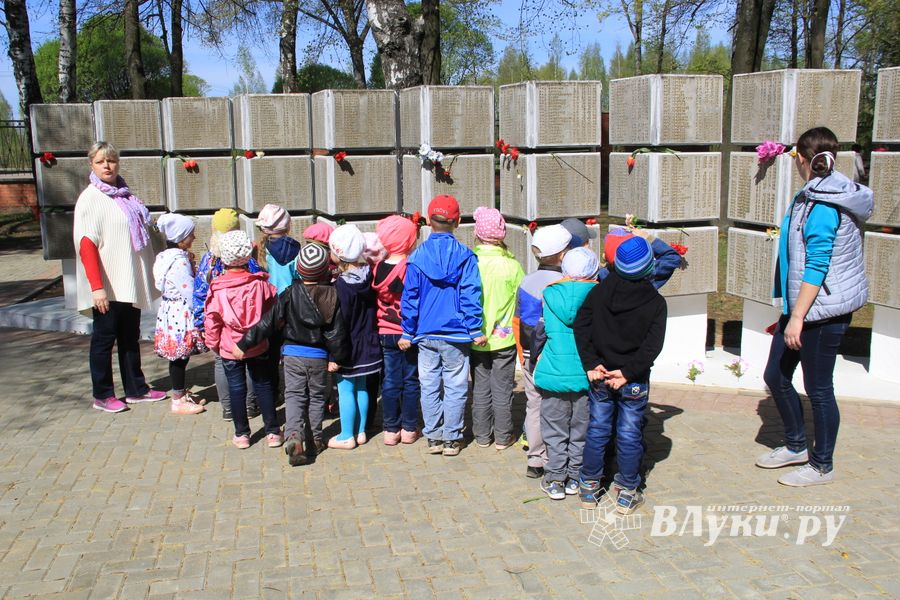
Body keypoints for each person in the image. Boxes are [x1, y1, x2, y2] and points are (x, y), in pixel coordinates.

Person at [757, 126, 874, 487]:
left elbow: (817, 264)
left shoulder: (825, 204)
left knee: (819, 389)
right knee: (775, 376)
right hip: (802, 308)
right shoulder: (812, 193)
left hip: (822, 313)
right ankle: (796, 446)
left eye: (796, 159)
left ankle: (822, 464)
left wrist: (797, 318)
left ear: (806, 161)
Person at [574, 237, 667, 514]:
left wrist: (591, 363)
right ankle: (627, 490)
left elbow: (582, 325)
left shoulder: (598, 292)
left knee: (598, 429)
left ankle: (589, 486)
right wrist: (628, 372)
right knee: (629, 433)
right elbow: (653, 345)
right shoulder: (656, 302)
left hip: (601, 375)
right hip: (633, 380)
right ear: (649, 266)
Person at [236, 242, 350, 465]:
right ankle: (315, 439)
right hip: (318, 357)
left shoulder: (289, 293)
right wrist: (338, 358)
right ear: (325, 269)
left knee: (294, 395)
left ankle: (294, 435)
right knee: (317, 397)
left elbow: (267, 322)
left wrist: (244, 343)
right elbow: (337, 333)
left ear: (299, 268)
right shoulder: (333, 295)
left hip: (292, 355)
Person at [73, 142, 165, 413]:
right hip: (108, 285)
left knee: (129, 336)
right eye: (101, 161)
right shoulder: (91, 198)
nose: (107, 166)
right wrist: (97, 287)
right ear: (92, 164)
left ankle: (136, 388)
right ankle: (102, 394)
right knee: (103, 340)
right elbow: (86, 244)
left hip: (128, 281)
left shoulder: (125, 196)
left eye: (111, 160)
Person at [400, 195, 485, 457]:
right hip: (457, 334)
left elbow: (410, 297)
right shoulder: (466, 257)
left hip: (425, 333)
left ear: (428, 221)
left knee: (429, 386)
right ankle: (452, 438)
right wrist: (475, 329)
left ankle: (434, 437)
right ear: (457, 222)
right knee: (456, 386)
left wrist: (407, 330)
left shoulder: (416, 257)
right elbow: (471, 294)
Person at [204, 230, 281, 449]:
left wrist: (213, 343)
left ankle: (242, 433)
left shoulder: (218, 288)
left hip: (229, 346)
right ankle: (273, 431)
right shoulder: (260, 284)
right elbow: (271, 312)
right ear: (248, 254)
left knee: (236, 389)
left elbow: (212, 319)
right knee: (264, 386)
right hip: (258, 344)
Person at [532, 247, 598, 499]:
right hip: (585, 373)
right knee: (581, 430)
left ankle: (555, 478)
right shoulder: (597, 294)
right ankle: (575, 476)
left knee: (554, 429)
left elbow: (540, 331)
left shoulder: (550, 293)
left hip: (554, 372)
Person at [514, 224, 572, 478]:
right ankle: (559, 456)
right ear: (562, 254)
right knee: (562, 407)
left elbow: (519, 323)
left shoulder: (527, 282)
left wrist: (523, 355)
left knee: (534, 405)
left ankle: (535, 459)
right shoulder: (566, 283)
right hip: (557, 357)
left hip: (530, 357)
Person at [192, 208, 261, 420]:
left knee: (222, 362)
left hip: (218, 322)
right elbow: (257, 280)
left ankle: (229, 408)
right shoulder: (244, 257)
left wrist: (200, 322)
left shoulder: (209, 260)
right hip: (246, 321)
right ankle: (250, 405)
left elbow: (199, 292)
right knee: (249, 362)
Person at [471, 207, 524, 450]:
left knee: (480, 386)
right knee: (502, 389)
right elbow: (522, 299)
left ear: (477, 234)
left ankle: (481, 436)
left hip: (476, 337)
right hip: (505, 339)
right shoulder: (512, 266)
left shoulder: (471, 262)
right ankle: (503, 437)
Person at [328, 224, 383, 449]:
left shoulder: (341, 285)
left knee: (345, 390)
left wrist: (334, 354)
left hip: (349, 346)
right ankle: (361, 431)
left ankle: (346, 434)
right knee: (362, 387)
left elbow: (341, 321)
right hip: (369, 342)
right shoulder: (370, 275)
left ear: (338, 253)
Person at [372, 215, 422, 446]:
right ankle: (409, 428)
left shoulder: (377, 268)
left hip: (385, 331)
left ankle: (390, 430)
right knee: (411, 380)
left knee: (391, 381)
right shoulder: (411, 267)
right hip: (407, 332)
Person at [153, 213, 205, 415]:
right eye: (191, 234)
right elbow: (190, 291)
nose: (194, 238)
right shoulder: (179, 263)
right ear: (181, 237)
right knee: (179, 357)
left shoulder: (165, 257)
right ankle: (178, 399)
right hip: (180, 312)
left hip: (170, 311)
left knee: (179, 357)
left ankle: (180, 393)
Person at [255, 203, 300, 294]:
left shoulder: (259, 248)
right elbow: (299, 275)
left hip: (269, 299)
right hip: (290, 299)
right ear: (287, 227)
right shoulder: (294, 249)